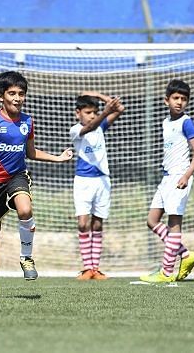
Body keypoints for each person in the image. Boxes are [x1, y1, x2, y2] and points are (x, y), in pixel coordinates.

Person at [0, 71, 73, 298]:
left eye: (21, 94)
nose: (17, 98)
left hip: (17, 176)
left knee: (26, 209)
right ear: (1, 96)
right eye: (12, 93)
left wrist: (57, 157)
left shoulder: (28, 121)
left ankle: (26, 257)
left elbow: (30, 152)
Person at [140, 79, 194, 283]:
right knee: (152, 220)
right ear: (166, 100)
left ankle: (166, 272)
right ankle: (185, 254)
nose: (180, 102)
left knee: (174, 223)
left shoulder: (186, 122)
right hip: (166, 178)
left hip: (180, 177)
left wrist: (186, 176)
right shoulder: (166, 122)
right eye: (176, 98)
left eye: (184, 99)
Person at [69, 92, 124, 280]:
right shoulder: (75, 130)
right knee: (83, 223)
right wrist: (105, 111)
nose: (92, 116)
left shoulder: (100, 126)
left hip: (103, 181)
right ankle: (86, 268)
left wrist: (99, 96)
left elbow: (120, 109)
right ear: (78, 113)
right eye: (87, 112)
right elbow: (91, 126)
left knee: (98, 223)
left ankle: (95, 268)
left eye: (94, 112)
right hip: (83, 181)